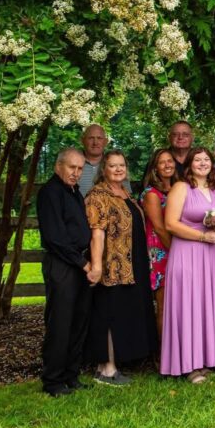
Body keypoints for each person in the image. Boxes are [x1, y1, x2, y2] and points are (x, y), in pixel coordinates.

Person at [84, 150, 157, 386]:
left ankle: (116, 363)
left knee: (122, 313)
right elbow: (97, 233)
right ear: (103, 169)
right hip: (111, 265)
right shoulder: (98, 195)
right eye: (112, 165)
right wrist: (96, 266)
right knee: (108, 314)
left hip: (132, 264)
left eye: (122, 165)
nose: (118, 169)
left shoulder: (126, 193)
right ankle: (106, 368)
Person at [161, 147, 215, 383]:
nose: (203, 163)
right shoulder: (181, 188)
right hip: (187, 253)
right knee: (189, 306)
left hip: (213, 255)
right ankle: (188, 365)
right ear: (189, 164)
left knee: (206, 306)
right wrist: (202, 236)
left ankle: (206, 359)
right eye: (198, 160)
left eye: (206, 160)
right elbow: (170, 224)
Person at [37, 148, 92, 397]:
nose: (76, 173)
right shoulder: (50, 193)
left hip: (79, 263)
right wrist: (82, 263)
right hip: (62, 264)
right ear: (58, 166)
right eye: (72, 167)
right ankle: (53, 380)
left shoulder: (74, 192)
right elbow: (55, 238)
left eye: (80, 169)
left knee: (78, 321)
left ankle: (71, 375)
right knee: (60, 323)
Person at [141, 148, 176, 342]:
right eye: (162, 162)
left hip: (177, 248)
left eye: (170, 161)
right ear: (155, 167)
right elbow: (160, 228)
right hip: (161, 252)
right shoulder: (151, 194)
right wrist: (177, 252)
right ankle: (162, 353)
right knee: (164, 305)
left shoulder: (178, 188)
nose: (167, 165)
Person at [78, 124, 107, 196]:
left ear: (105, 142)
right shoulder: (71, 164)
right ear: (82, 141)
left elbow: (126, 196)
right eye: (91, 138)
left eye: (99, 138)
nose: (95, 143)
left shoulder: (115, 165)